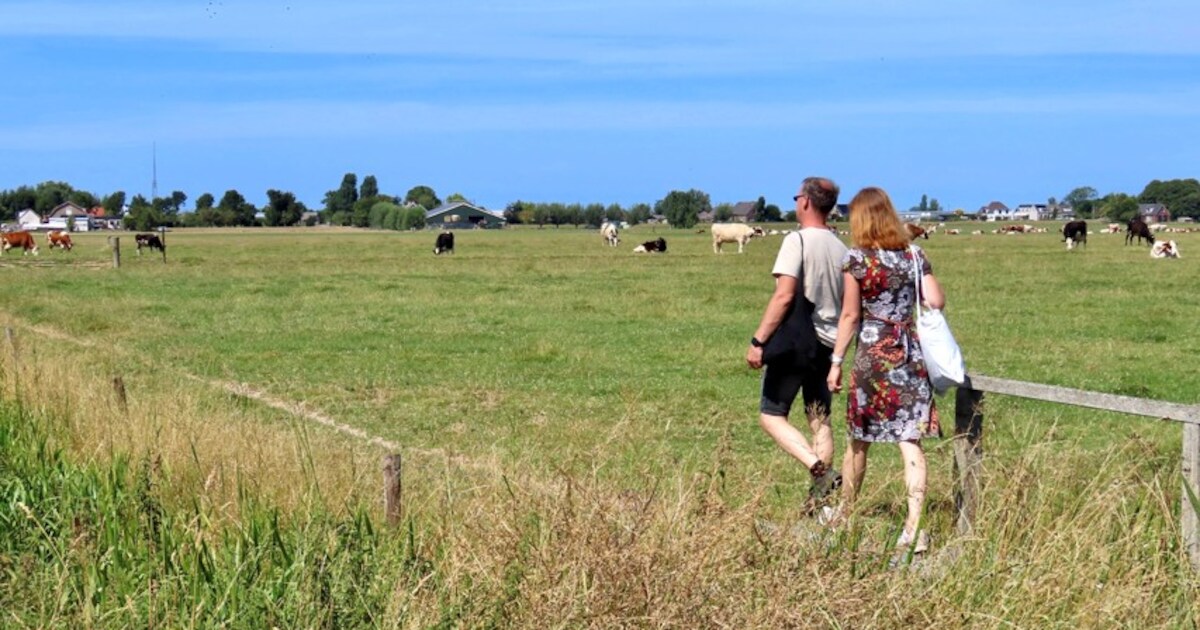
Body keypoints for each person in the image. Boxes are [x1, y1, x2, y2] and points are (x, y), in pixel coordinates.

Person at [825, 186, 945, 552]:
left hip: (872, 357)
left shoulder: (857, 260)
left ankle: (846, 515)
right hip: (909, 355)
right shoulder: (914, 254)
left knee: (859, 440)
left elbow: (850, 314)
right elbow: (936, 300)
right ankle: (913, 529)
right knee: (910, 441)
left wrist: (836, 362)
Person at [746, 177, 847, 502]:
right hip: (829, 345)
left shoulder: (797, 241)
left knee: (771, 415)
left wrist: (759, 341)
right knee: (820, 419)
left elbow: (784, 296)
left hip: (796, 344)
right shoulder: (841, 248)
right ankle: (821, 502)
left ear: (805, 201)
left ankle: (820, 469)